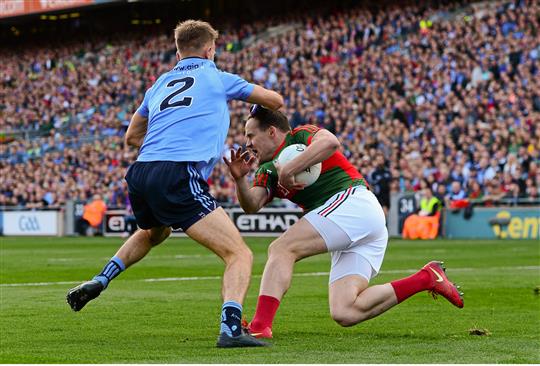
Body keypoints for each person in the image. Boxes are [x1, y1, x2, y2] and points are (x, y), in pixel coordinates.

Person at [66, 20, 284, 348]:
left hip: (142, 171)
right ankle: (230, 329)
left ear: (178, 50)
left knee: (156, 231)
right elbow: (275, 100)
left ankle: (101, 278)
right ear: (210, 49)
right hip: (178, 172)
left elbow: (131, 137)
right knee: (238, 253)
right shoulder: (217, 77)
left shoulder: (159, 84)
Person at [223, 105, 463, 339]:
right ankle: (426, 278)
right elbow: (252, 205)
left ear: (272, 131)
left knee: (282, 248)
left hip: (354, 203)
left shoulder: (301, 135)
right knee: (345, 311)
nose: (247, 143)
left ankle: (260, 326)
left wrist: (288, 170)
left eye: (251, 135)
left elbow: (330, 143)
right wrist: (239, 180)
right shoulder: (266, 170)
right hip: (355, 222)